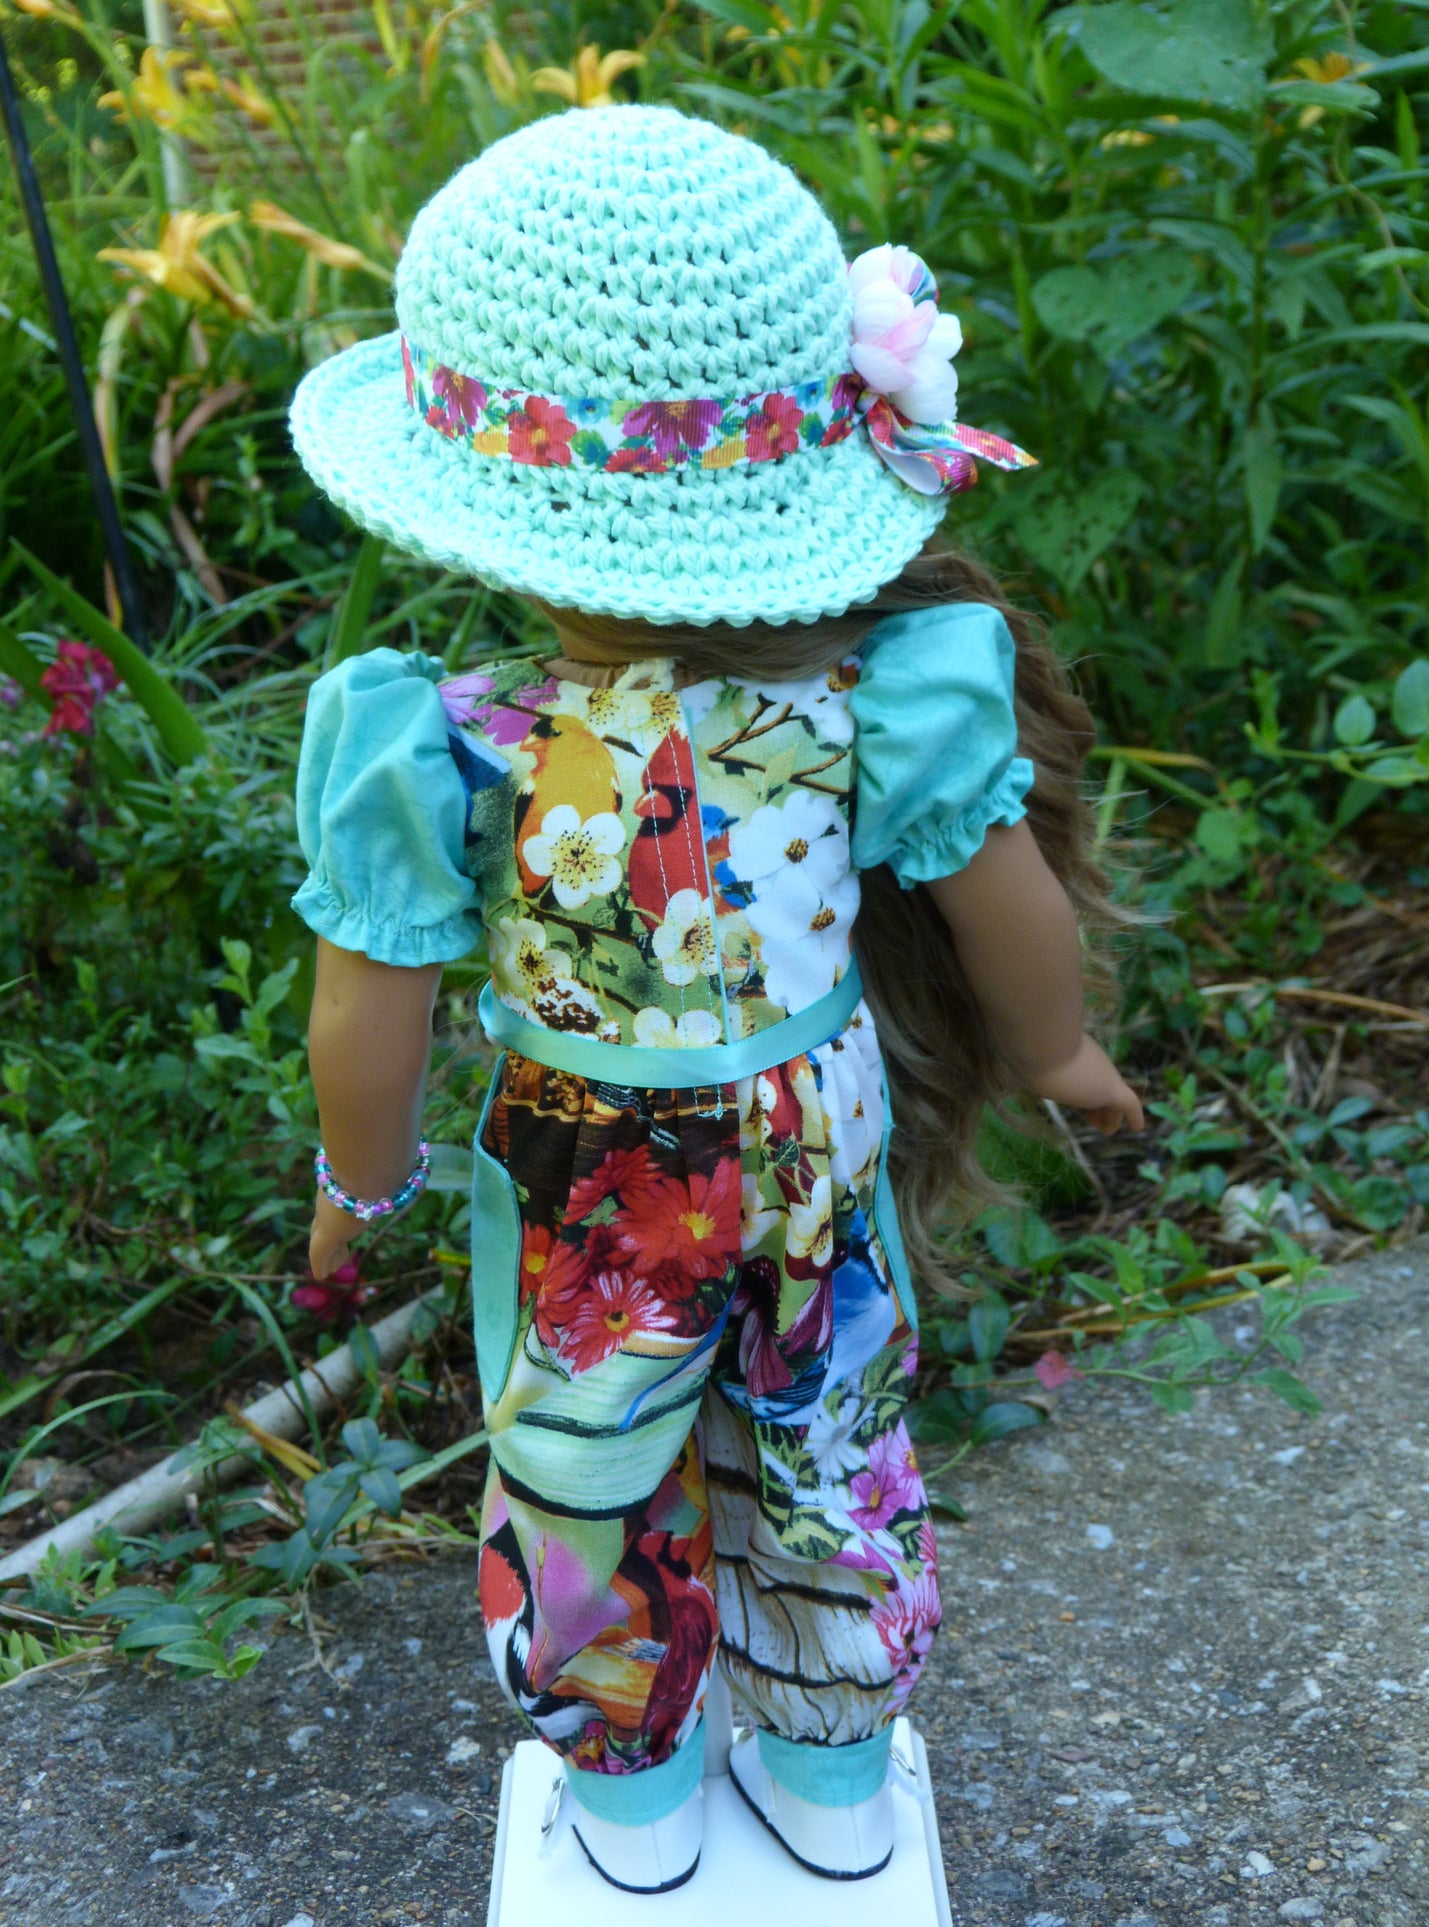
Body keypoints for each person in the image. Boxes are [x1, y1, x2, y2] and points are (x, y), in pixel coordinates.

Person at [288, 104, 1142, 1897]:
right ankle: (834, 1794)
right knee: (828, 1432)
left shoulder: (447, 738)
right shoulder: (879, 702)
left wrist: (358, 1184)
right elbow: (1013, 908)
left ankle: (631, 1812)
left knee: (583, 1467)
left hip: (591, 1182)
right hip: (810, 1141)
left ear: (491, 500)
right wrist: (1056, 1048)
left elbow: (369, 1006)